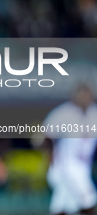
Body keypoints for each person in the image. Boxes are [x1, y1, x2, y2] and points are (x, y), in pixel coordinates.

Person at [43, 84, 97, 215]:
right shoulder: (63, 113)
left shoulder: (94, 113)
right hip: (66, 168)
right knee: (89, 201)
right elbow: (46, 136)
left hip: (84, 168)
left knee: (63, 207)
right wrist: (50, 155)